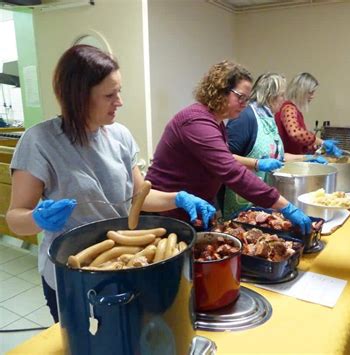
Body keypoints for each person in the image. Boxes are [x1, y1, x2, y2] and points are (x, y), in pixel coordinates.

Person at [6, 45, 216, 323]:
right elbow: (15, 218)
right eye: (109, 95)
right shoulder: (40, 141)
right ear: (78, 97)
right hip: (72, 271)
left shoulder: (120, 136)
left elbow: (138, 198)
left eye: (119, 91)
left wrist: (177, 197)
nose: (120, 102)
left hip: (123, 263)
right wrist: (38, 218)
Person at [145, 60, 312, 236]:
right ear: (220, 90)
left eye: (247, 99)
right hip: (163, 214)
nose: (244, 104)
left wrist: (256, 163)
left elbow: (222, 157)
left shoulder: (216, 123)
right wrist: (284, 206)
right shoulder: (195, 121)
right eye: (240, 97)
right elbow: (231, 171)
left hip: (190, 214)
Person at [223, 72, 328, 218]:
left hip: (263, 199)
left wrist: (307, 159)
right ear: (270, 96)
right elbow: (224, 158)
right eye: (281, 95)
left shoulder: (268, 118)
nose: (284, 99)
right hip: (242, 201)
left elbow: (278, 157)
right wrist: (257, 163)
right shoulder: (245, 117)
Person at [275, 72, 341, 156]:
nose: (312, 96)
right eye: (310, 92)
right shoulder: (288, 108)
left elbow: (299, 142)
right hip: (288, 163)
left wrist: (317, 146)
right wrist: (321, 142)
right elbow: (295, 133)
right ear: (301, 91)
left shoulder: (294, 109)